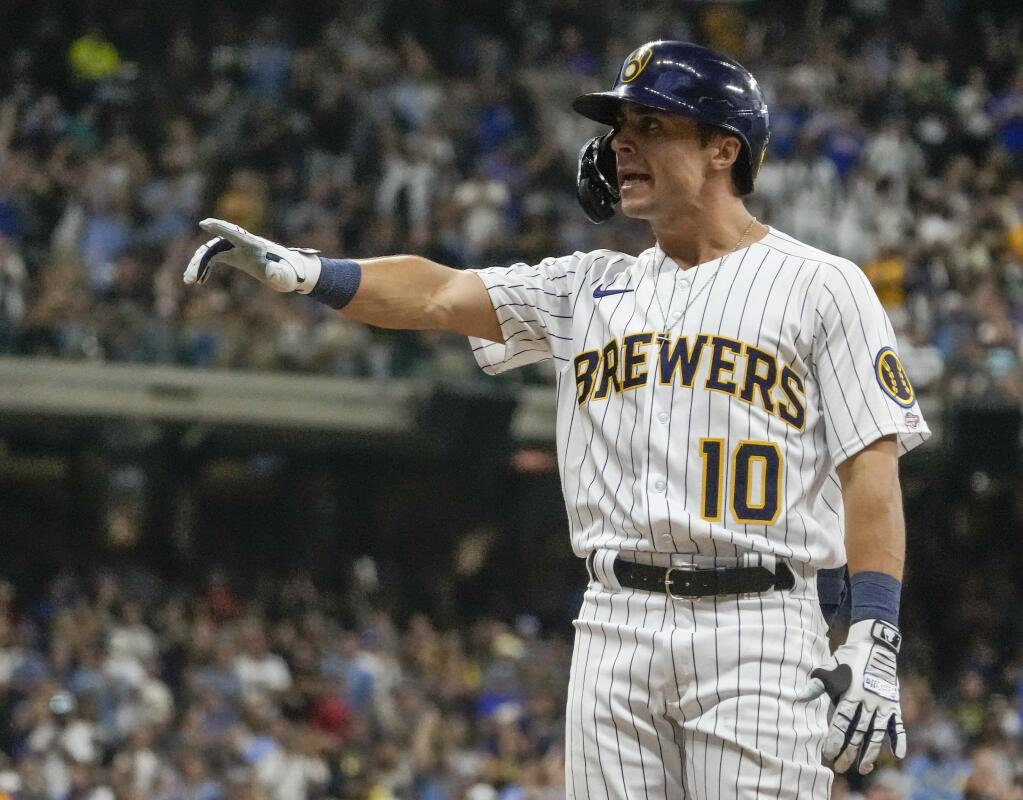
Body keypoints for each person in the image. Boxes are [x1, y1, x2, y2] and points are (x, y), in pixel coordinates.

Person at [184, 40, 930, 799]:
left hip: (761, 626)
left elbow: (871, 466)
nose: (622, 143)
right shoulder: (588, 287)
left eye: (651, 125)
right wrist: (310, 272)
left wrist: (873, 632)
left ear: (722, 148)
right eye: (619, 127)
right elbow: (440, 293)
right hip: (614, 619)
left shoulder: (821, 285)